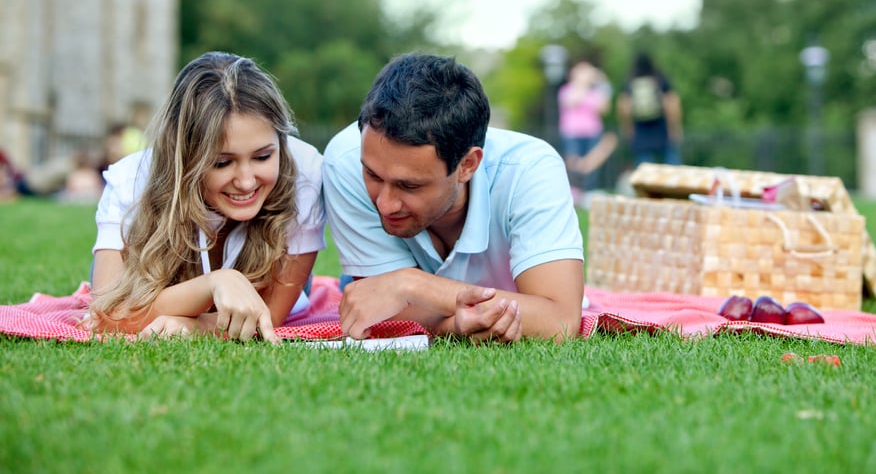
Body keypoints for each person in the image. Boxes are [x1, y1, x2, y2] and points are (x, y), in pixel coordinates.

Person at [323, 53, 584, 343]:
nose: (385, 204)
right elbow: (374, 307)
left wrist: (410, 284)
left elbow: (559, 321)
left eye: (409, 186)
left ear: (467, 165)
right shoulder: (346, 161)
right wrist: (453, 325)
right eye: (372, 176)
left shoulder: (530, 169)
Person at [88, 52, 326, 342]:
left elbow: (267, 318)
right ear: (187, 156)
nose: (246, 181)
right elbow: (106, 316)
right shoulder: (133, 180)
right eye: (222, 163)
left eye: (263, 156)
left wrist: (191, 326)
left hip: (263, 281)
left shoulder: (305, 173)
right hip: (147, 283)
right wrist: (215, 282)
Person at [617, 52, 684, 166]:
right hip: (661, 125)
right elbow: (672, 104)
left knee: (644, 163)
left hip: (640, 127)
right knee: (671, 159)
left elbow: (624, 107)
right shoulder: (660, 79)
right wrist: (674, 126)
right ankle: (675, 182)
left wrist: (628, 127)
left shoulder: (631, 81)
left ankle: (645, 183)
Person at [558, 60, 612, 194]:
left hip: (592, 131)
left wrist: (602, 82)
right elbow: (572, 102)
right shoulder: (566, 90)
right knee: (573, 161)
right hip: (572, 132)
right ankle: (574, 190)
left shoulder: (595, 92)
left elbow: (604, 109)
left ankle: (589, 191)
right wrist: (582, 83)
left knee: (592, 162)